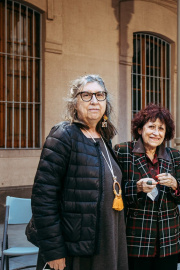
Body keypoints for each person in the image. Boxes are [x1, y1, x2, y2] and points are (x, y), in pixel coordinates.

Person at [31, 75, 128, 270]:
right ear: (74, 103)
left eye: (100, 95)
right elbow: (43, 197)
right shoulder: (63, 135)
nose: (94, 100)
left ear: (105, 103)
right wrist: (54, 250)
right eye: (86, 95)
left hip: (106, 239)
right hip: (76, 247)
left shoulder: (104, 138)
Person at [114, 104, 180, 270]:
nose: (156, 133)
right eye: (151, 127)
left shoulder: (173, 155)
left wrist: (174, 184)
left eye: (161, 128)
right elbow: (114, 192)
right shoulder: (123, 152)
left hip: (168, 238)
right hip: (136, 237)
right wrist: (137, 188)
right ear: (140, 129)